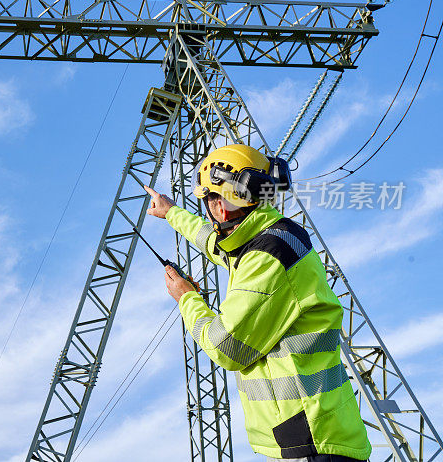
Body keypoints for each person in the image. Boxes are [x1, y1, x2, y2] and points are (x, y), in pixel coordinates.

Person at [144, 143, 371, 462]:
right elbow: (213, 242)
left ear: (220, 207)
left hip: (310, 442)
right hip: (315, 435)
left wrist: (187, 298)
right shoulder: (266, 238)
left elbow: (227, 347)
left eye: (207, 199)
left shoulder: (266, 255)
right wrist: (170, 212)